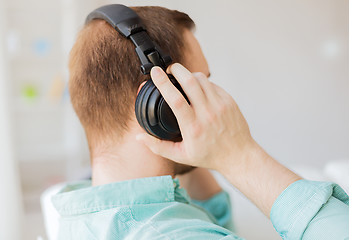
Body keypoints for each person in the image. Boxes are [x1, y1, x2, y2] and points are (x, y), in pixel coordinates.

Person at [53, 6, 236, 240]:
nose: (211, 103)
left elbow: (216, 221)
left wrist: (189, 136)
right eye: (199, 85)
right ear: (161, 102)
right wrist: (240, 156)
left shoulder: (79, 211)